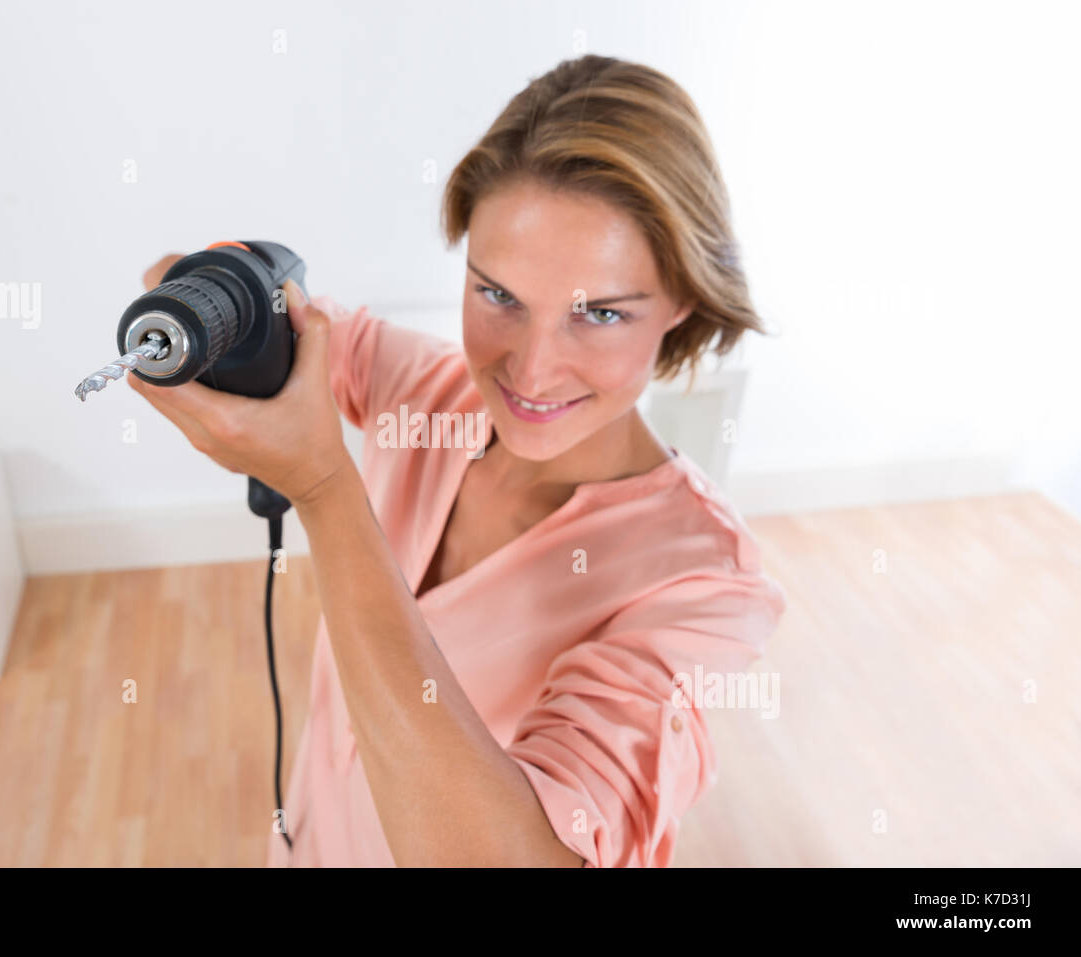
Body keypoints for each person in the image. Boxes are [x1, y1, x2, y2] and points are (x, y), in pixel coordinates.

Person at [133, 54, 787, 867]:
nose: (531, 370)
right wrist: (204, 300)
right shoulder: (426, 390)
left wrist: (325, 491)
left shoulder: (704, 585)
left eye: (603, 313)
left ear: (683, 298)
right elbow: (259, 306)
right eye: (498, 295)